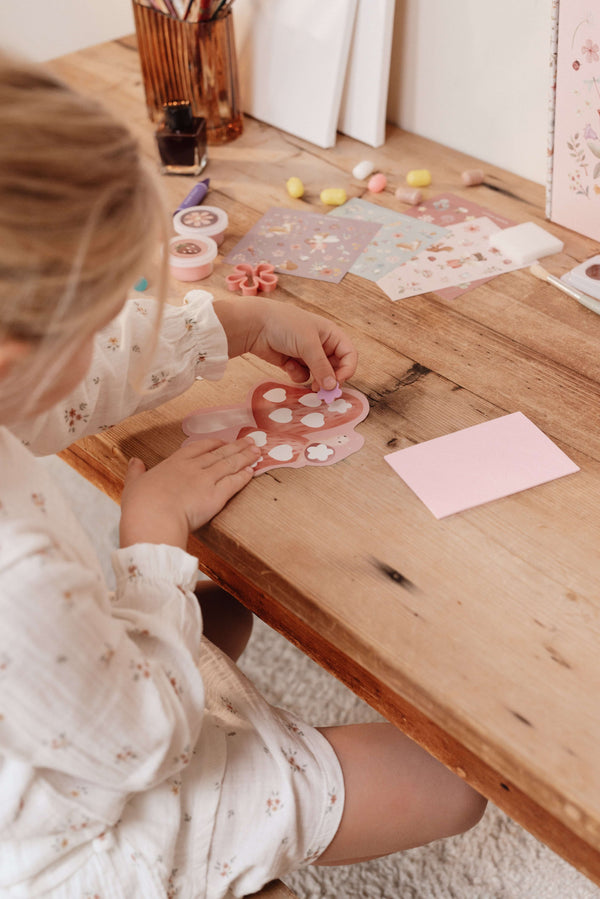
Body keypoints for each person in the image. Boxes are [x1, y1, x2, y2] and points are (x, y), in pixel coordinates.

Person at [0, 51, 486, 899]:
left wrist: (236, 320)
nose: (111, 328)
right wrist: (151, 534)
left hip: (58, 713)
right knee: (454, 788)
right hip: (78, 836)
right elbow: (144, 738)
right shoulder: (15, 576)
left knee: (220, 612)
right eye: (96, 313)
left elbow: (63, 387)